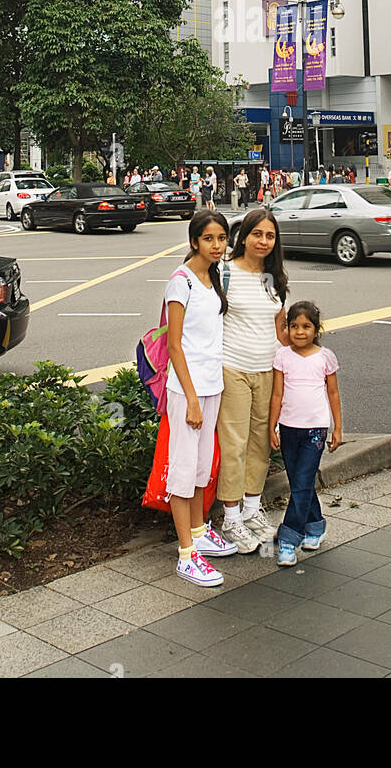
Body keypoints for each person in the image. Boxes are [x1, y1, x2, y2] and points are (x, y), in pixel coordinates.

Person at [164, 209, 238, 587]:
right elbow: (174, 345)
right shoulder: (181, 282)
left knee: (200, 467)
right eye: (209, 239)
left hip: (211, 387)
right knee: (182, 471)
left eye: (222, 239)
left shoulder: (212, 278)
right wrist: (191, 397)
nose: (216, 246)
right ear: (194, 241)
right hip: (187, 390)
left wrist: (208, 393)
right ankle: (185, 555)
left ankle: (197, 530)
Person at [217, 208, 289, 553]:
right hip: (232, 368)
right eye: (257, 234)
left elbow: (281, 329)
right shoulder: (224, 272)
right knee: (234, 443)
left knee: (261, 442)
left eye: (269, 236)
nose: (263, 241)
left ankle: (251, 510)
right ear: (243, 236)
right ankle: (230, 518)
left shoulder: (274, 278)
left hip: (267, 369)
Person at [269, 301, 342, 566]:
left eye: (306, 326)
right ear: (287, 329)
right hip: (288, 428)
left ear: (316, 329)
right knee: (301, 480)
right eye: (294, 326)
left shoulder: (325, 357)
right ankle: (315, 525)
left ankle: (289, 538)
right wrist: (272, 426)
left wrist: (338, 428)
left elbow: (333, 393)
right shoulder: (282, 357)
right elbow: (277, 394)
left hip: (315, 429)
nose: (300, 332)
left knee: (301, 482)